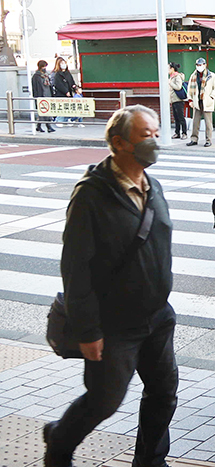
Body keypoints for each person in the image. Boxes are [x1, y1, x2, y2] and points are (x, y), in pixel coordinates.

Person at [44, 106, 177, 467]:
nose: (155, 141)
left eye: (156, 132)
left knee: (163, 393)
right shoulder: (91, 195)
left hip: (157, 317)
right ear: (119, 143)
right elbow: (75, 269)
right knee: (104, 402)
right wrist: (88, 330)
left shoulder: (152, 185)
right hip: (115, 323)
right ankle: (59, 440)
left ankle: (150, 460)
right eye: (145, 135)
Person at [186, 57, 215, 148]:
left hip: (207, 101)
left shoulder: (211, 75)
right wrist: (190, 99)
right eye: (198, 65)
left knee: (208, 123)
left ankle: (208, 140)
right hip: (197, 101)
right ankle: (194, 139)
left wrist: (211, 96)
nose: (199, 67)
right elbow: (190, 88)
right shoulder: (193, 76)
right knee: (195, 122)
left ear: (205, 65)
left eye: (201, 65)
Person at [52, 57, 81, 126]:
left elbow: (72, 83)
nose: (64, 64)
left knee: (68, 108)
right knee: (62, 108)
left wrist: (75, 88)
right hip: (61, 94)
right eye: (62, 63)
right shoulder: (57, 74)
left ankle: (67, 120)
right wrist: (65, 91)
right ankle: (59, 121)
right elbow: (59, 84)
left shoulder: (68, 73)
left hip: (69, 93)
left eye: (64, 63)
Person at [31, 59, 56, 133]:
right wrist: (36, 97)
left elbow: (50, 85)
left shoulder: (46, 75)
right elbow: (35, 88)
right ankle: (49, 127)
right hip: (41, 95)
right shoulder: (36, 76)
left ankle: (39, 126)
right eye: (43, 67)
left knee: (45, 112)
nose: (45, 68)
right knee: (44, 112)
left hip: (48, 94)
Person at [168, 63, 187, 140]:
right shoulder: (171, 77)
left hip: (178, 100)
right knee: (176, 117)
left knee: (181, 117)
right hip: (173, 100)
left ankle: (184, 133)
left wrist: (170, 83)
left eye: (168, 69)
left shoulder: (177, 77)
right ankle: (177, 132)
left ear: (172, 69)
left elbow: (178, 87)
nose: (167, 70)